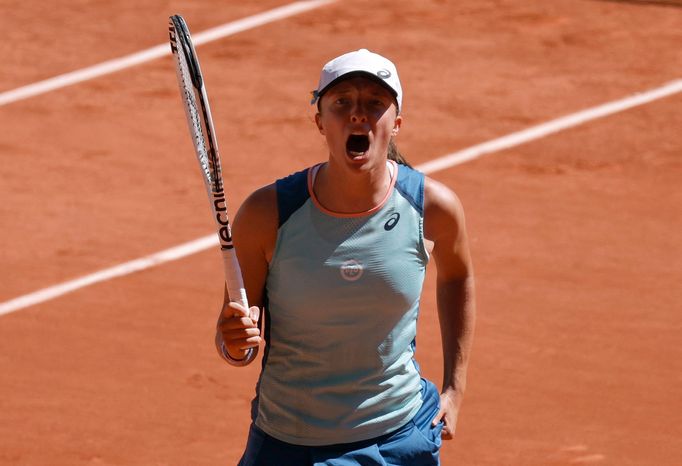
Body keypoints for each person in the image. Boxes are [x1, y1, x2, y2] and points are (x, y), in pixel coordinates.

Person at [216, 49, 476, 466]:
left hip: (400, 438)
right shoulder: (269, 214)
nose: (359, 114)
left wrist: (454, 388)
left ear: (397, 122)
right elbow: (237, 341)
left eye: (375, 103)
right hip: (292, 443)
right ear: (320, 121)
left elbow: (457, 277)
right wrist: (232, 342)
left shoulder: (433, 207)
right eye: (342, 103)